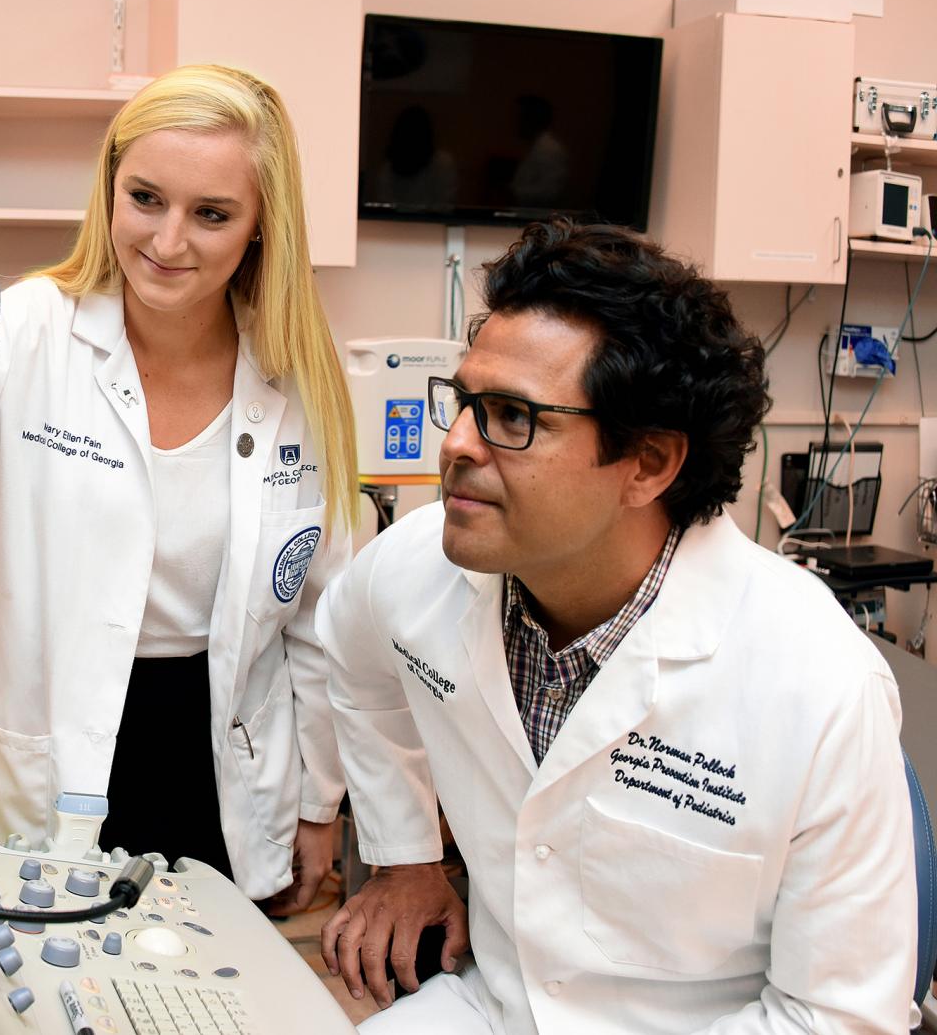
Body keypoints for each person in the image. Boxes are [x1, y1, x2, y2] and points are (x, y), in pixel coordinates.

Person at [316, 220, 917, 1031]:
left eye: (512, 417)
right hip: (495, 1005)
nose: (455, 445)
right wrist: (403, 857)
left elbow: (837, 1017)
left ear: (649, 464)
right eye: (463, 403)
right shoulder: (420, 566)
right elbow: (353, 659)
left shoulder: (816, 683)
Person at [0, 64, 357, 910]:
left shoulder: (297, 378)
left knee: (212, 969)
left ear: (261, 225)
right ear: (110, 189)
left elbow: (322, 622)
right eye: (145, 198)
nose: (168, 242)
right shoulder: (28, 329)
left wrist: (320, 804)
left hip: (222, 757)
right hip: (55, 738)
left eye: (211, 214)